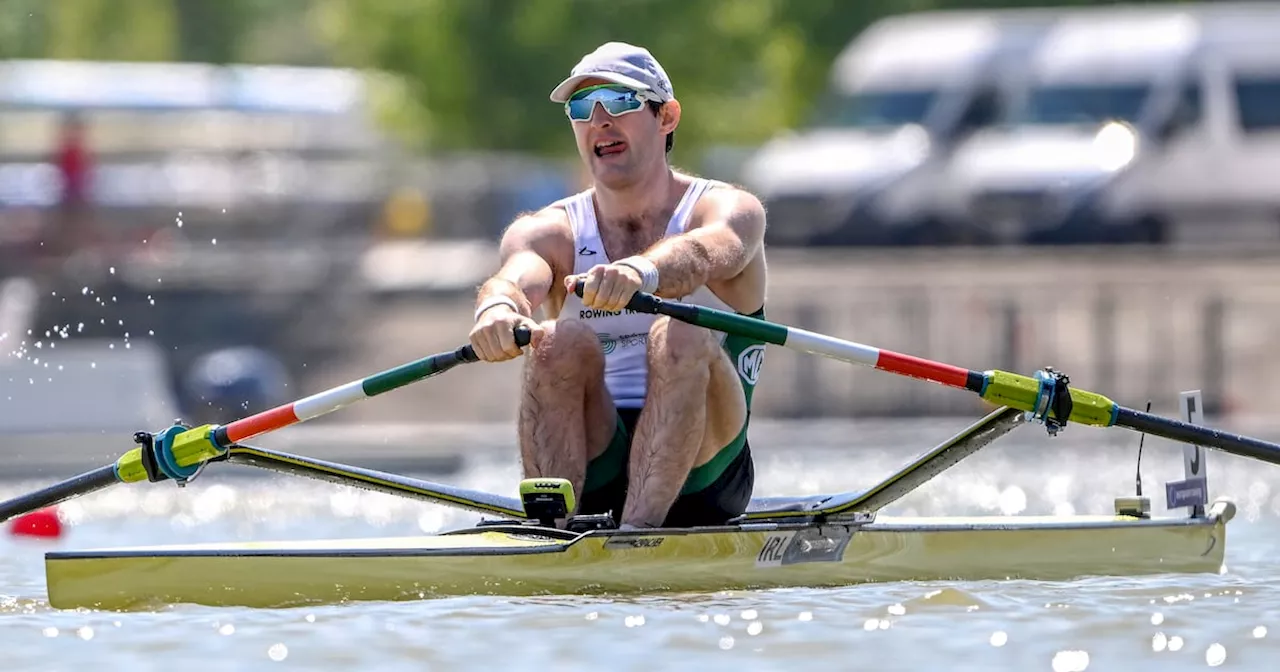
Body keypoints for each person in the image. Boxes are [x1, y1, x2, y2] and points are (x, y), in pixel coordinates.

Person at [468, 42, 769, 530]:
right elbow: (515, 278)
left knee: (681, 333)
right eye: (582, 108)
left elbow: (706, 251)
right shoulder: (550, 230)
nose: (600, 121)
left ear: (666, 116)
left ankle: (636, 537)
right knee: (554, 341)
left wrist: (639, 273)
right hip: (596, 457)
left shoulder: (728, 210)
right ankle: (553, 530)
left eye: (622, 102)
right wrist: (497, 309)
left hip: (704, 471)